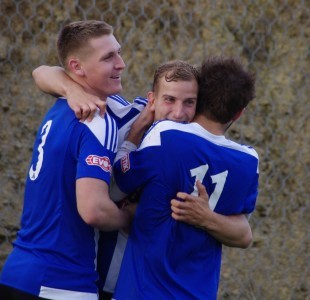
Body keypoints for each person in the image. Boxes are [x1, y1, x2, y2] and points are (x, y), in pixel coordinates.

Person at [30, 59, 253, 299]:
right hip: (93, 274)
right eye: (169, 100)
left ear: (200, 105)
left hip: (135, 285)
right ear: (152, 100)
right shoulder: (119, 115)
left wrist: (206, 217)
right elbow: (42, 72)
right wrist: (73, 91)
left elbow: (243, 234)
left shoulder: (187, 144)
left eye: (189, 102)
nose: (178, 113)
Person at [0, 20, 136, 300]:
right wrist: (131, 217)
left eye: (118, 52)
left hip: (18, 272)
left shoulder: (63, 106)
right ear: (76, 68)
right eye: (108, 57)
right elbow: (94, 210)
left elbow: (42, 71)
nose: (121, 63)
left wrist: (71, 88)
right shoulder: (97, 119)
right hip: (63, 283)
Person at [111, 56, 259, 299]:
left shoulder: (165, 134)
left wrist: (134, 135)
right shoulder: (248, 161)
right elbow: (243, 233)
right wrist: (208, 218)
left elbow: (117, 187)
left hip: (142, 291)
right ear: (240, 113)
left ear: (199, 100)